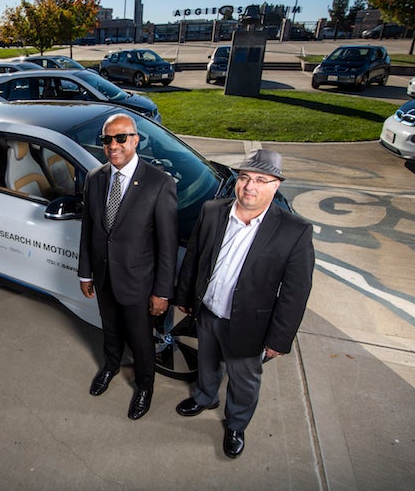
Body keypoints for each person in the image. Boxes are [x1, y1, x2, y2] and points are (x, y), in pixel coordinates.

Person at [173, 149, 315, 458]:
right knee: (207, 361)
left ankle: (236, 424)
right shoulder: (212, 211)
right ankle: (205, 396)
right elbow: (195, 257)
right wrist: (185, 296)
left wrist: (279, 339)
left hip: (250, 324)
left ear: (275, 185)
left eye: (261, 180)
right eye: (245, 177)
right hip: (208, 312)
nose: (250, 186)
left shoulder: (294, 231)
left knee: (243, 379)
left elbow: (295, 292)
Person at [78, 113, 178, 420]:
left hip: (139, 283)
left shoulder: (159, 184)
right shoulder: (95, 178)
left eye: (121, 138)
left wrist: (162, 292)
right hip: (104, 276)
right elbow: (89, 230)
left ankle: (145, 385)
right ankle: (110, 367)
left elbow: (167, 246)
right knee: (110, 330)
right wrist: (85, 272)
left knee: (140, 339)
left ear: (135, 140)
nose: (113, 145)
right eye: (107, 139)